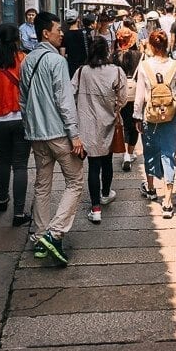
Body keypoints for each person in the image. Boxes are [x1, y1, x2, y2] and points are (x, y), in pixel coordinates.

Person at [19, 12, 85, 266]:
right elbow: (65, 101)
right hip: (59, 133)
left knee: (42, 184)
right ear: (46, 33)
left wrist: (31, 125)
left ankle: (38, 238)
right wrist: (75, 135)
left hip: (37, 134)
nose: (61, 33)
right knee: (75, 181)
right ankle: (54, 233)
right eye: (58, 29)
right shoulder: (57, 61)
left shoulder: (28, 61)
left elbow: (23, 100)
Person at [134, 30, 176, 218]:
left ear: (151, 46)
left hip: (150, 116)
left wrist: (136, 116)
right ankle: (167, 200)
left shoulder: (144, 66)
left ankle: (151, 188)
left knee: (150, 152)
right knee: (169, 155)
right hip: (170, 116)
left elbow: (140, 96)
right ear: (167, 45)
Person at [0, 23, 31, 226]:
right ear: (17, 39)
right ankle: (19, 214)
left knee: (4, 160)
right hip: (21, 119)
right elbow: (29, 87)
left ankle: (2, 199)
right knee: (20, 166)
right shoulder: (23, 60)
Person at [72, 38, 127, 223]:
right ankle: (105, 194)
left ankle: (95, 209)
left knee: (93, 166)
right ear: (106, 52)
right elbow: (124, 98)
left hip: (87, 125)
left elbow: (71, 93)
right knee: (107, 161)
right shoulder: (116, 71)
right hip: (108, 122)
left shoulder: (81, 72)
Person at [113, 27, 143, 171]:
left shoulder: (114, 56)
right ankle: (130, 153)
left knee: (123, 123)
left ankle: (124, 154)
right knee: (135, 124)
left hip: (120, 93)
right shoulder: (139, 55)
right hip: (136, 93)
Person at [61, 9, 88, 78]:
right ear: (77, 20)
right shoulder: (84, 33)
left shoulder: (65, 35)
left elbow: (62, 54)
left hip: (71, 67)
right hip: (84, 66)